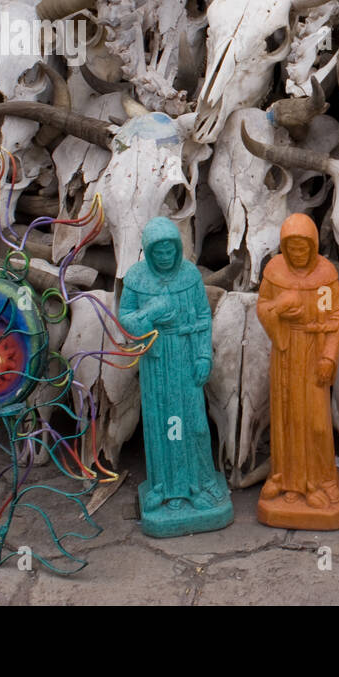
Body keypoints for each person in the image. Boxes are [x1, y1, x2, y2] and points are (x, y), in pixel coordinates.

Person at [119, 217, 231, 535]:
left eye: (170, 250)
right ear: (149, 251)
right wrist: (152, 312)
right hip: (156, 365)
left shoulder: (190, 276)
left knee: (193, 424)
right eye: (159, 252)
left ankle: (201, 483)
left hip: (184, 359)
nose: (166, 257)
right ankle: (168, 489)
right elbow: (125, 318)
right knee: (163, 426)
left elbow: (201, 316)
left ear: (178, 249)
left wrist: (202, 356)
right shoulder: (136, 279)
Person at [256, 213, 339, 516]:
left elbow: (333, 319)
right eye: (291, 248)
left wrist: (328, 357)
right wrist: (278, 310)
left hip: (312, 351)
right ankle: (286, 480)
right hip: (284, 353)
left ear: (313, 246)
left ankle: (320, 480)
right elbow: (263, 307)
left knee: (315, 422)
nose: (297, 254)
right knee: (285, 417)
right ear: (284, 246)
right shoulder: (275, 271)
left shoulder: (324, 276)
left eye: (302, 248)